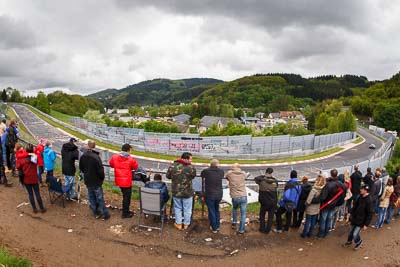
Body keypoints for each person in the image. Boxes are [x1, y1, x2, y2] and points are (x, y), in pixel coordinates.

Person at [79, 140, 109, 220]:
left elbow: (81, 168)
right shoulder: (96, 157)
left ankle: (95, 212)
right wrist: (101, 179)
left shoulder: (83, 156)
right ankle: (104, 214)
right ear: (94, 147)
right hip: (96, 181)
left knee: (91, 196)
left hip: (88, 180)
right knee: (99, 197)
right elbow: (100, 171)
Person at [167, 152, 196, 230]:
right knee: (187, 209)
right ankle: (186, 224)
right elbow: (193, 176)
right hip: (187, 192)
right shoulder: (191, 167)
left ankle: (178, 223)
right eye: (190, 159)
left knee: (177, 207)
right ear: (186, 159)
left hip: (176, 191)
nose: (191, 161)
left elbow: (168, 176)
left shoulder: (173, 166)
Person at [109, 143, 138, 218]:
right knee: (127, 198)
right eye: (130, 150)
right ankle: (125, 213)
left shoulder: (115, 157)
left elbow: (111, 164)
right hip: (127, 182)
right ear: (128, 150)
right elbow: (135, 167)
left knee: (125, 196)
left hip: (119, 180)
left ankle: (126, 211)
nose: (131, 152)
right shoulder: (130, 159)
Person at [16, 144, 46, 213]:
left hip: (26, 179)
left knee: (30, 194)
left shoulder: (22, 159)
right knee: (37, 193)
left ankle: (34, 209)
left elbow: (18, 166)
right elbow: (37, 161)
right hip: (34, 178)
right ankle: (42, 208)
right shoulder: (34, 157)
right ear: (32, 150)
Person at [317, 169, 346, 238]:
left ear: (331, 174)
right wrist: (338, 203)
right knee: (329, 219)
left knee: (323, 220)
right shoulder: (341, 185)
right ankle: (326, 233)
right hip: (334, 204)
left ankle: (321, 234)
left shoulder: (328, 185)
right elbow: (343, 195)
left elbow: (323, 197)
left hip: (326, 204)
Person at [343, 184, 374, 250]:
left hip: (361, 221)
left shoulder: (369, 200)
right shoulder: (360, 196)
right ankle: (349, 241)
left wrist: (366, 224)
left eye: (362, 189)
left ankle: (359, 242)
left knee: (355, 234)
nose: (360, 190)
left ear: (365, 191)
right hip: (355, 218)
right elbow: (355, 206)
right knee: (351, 231)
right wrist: (350, 212)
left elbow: (370, 213)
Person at [200, 159, 224, 233]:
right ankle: (217, 225)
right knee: (216, 209)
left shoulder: (206, 171)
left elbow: (202, 175)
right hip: (219, 194)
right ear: (217, 165)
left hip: (210, 194)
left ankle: (214, 227)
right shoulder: (221, 171)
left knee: (211, 210)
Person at [301, 174, 326, 238]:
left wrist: (306, 203)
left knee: (308, 222)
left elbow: (309, 200)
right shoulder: (323, 189)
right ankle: (310, 234)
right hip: (317, 207)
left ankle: (304, 234)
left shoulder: (314, 190)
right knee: (313, 222)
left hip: (310, 208)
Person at [255, 167, 278, 234]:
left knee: (262, 215)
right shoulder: (275, 181)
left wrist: (264, 176)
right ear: (272, 173)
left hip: (264, 201)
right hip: (273, 201)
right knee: (270, 216)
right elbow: (276, 187)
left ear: (266, 172)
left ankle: (262, 228)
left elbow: (256, 178)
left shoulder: (261, 180)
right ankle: (267, 230)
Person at [226, 163, 247, 235]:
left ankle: (234, 222)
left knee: (234, 208)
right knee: (243, 214)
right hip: (243, 195)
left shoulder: (229, 174)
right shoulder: (243, 174)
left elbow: (227, 176)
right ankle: (241, 230)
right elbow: (245, 175)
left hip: (234, 196)